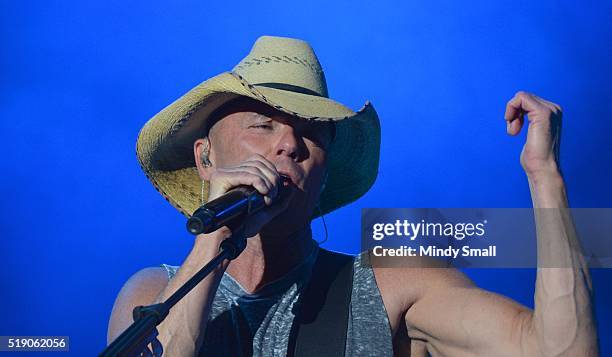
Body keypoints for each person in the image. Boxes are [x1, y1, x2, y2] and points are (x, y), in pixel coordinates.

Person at [107, 36, 598, 356]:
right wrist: (213, 239)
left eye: (312, 132)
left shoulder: (393, 281)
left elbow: (563, 351)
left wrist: (546, 177)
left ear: (325, 171)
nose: (289, 144)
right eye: (263, 124)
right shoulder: (152, 293)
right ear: (206, 158)